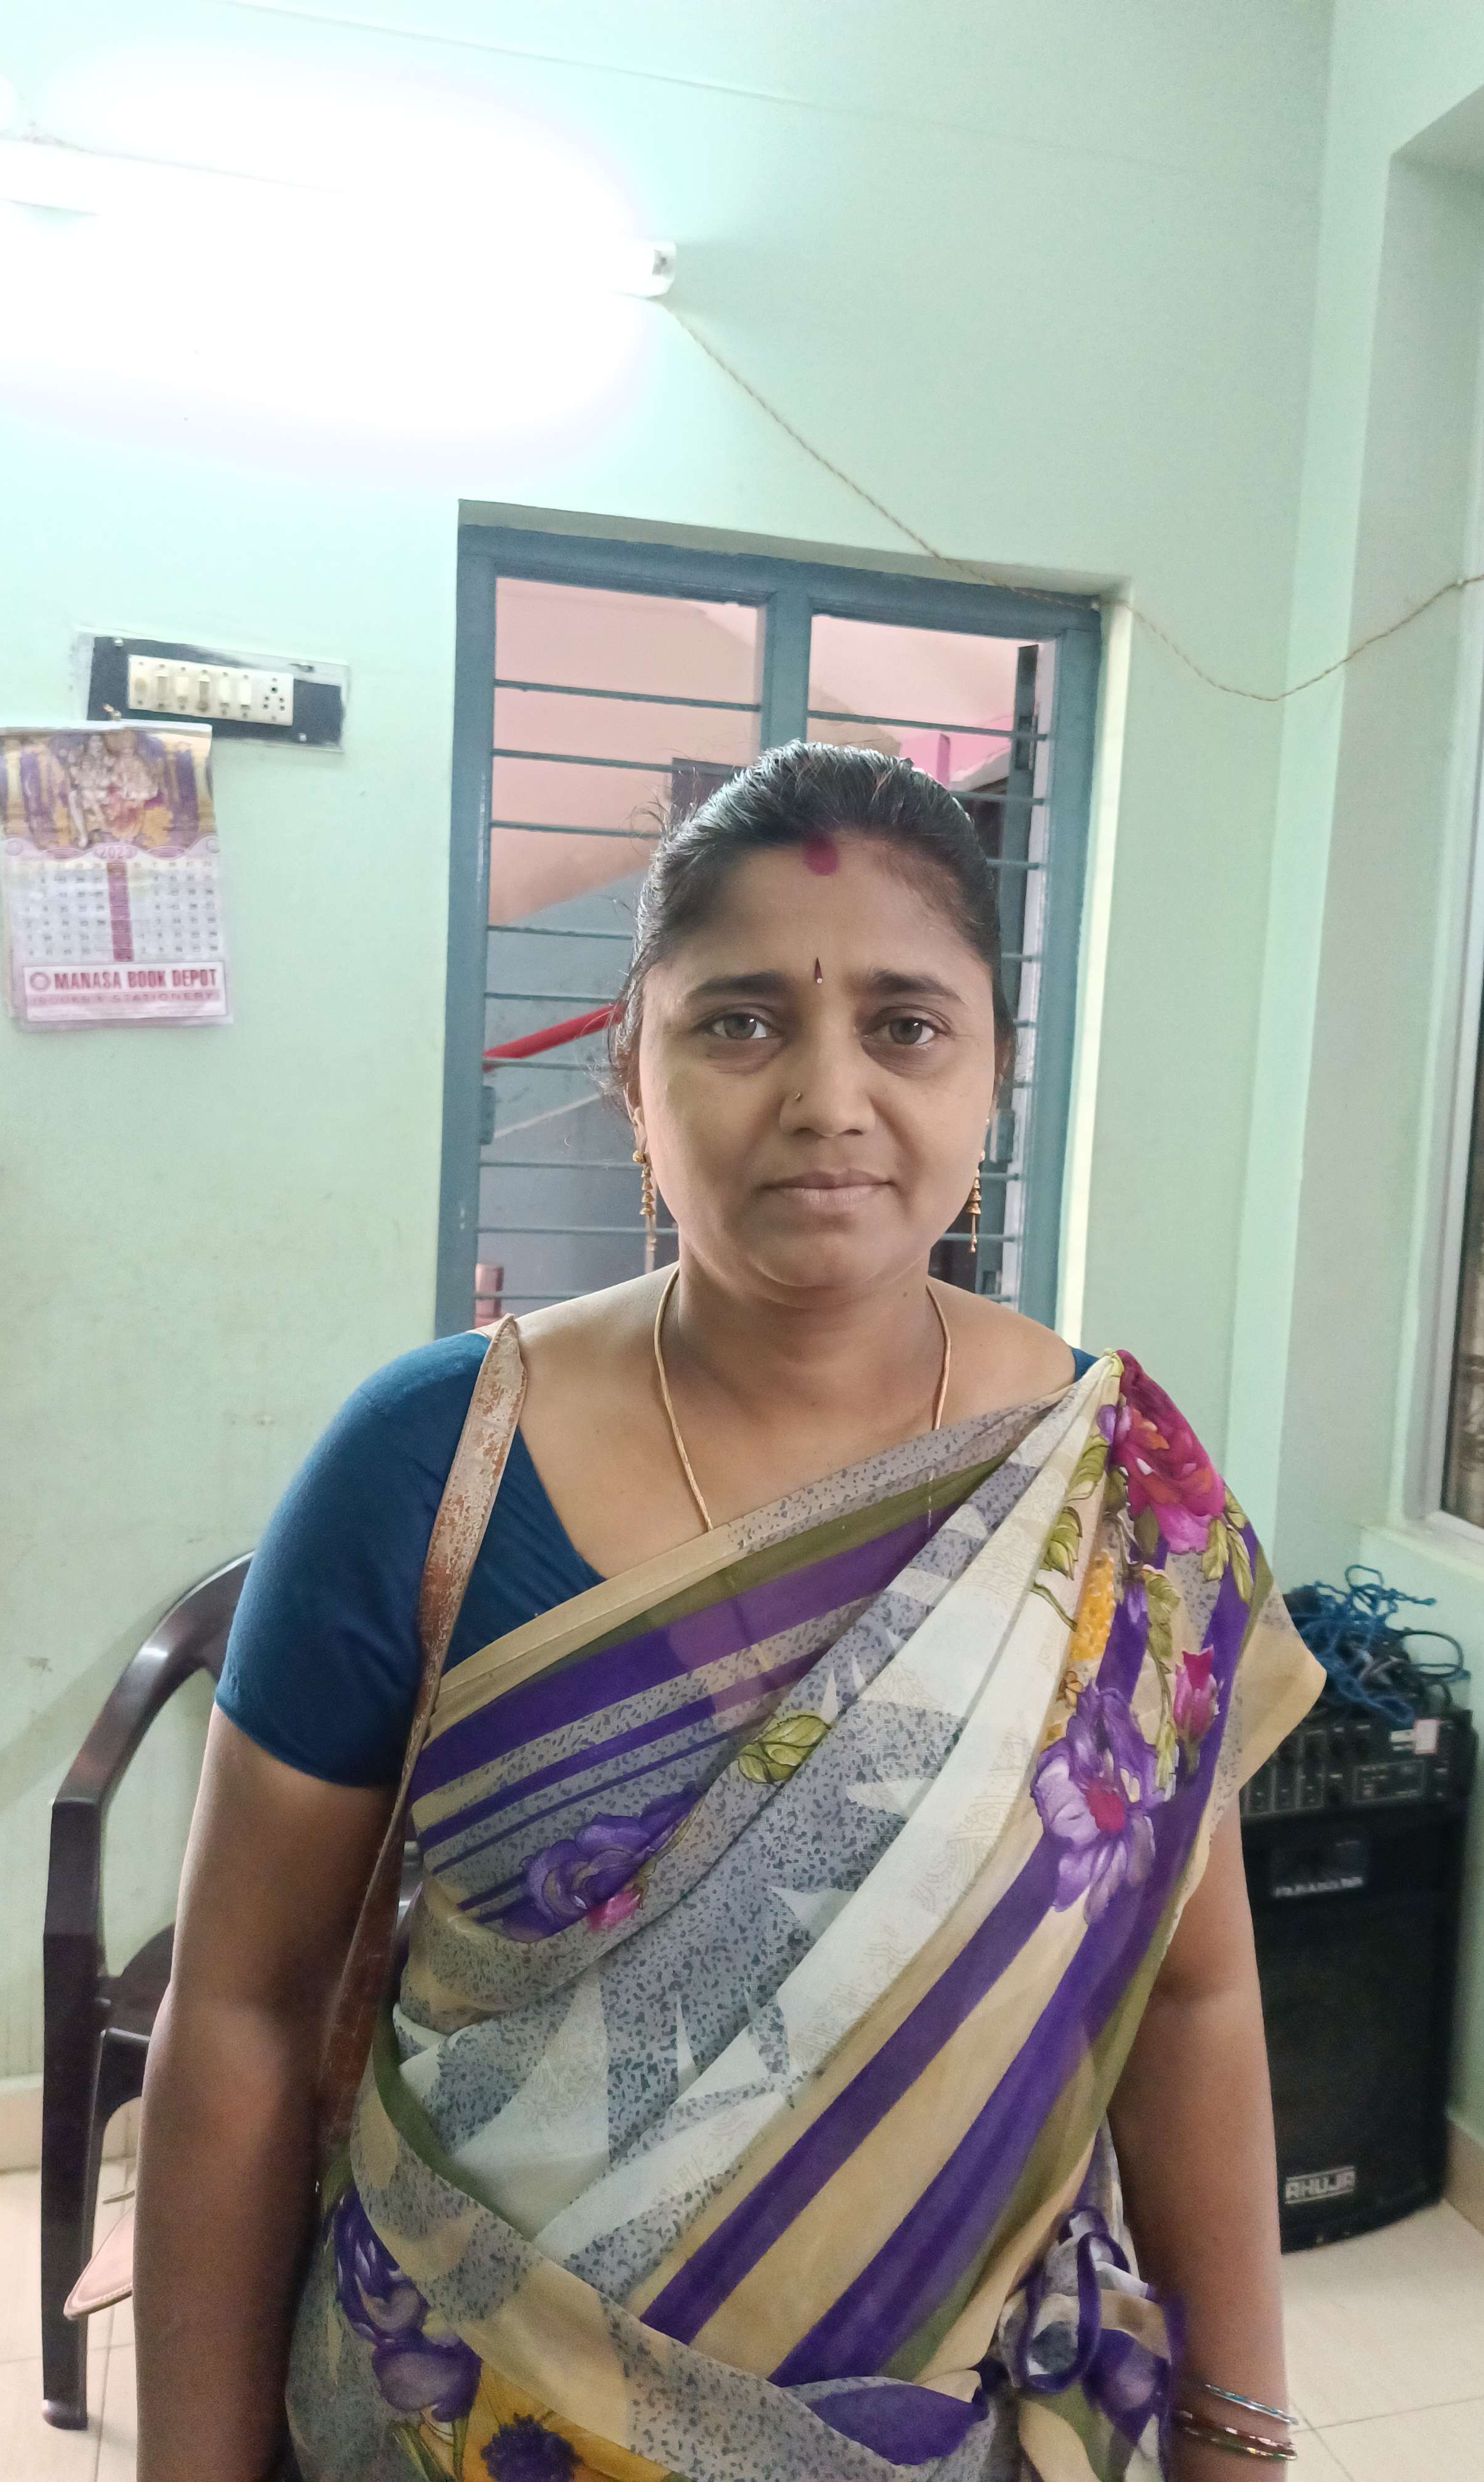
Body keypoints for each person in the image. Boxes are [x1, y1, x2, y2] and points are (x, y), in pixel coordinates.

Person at [136, 744, 1322, 2482]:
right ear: (635, 1070)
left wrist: (1235, 2436)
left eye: (906, 1027)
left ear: (994, 1077)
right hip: (449, 2421)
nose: (830, 1098)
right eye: (743, 1023)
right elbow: (240, 2012)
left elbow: (1197, 2005)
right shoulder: (427, 1466)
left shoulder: (1114, 1494)